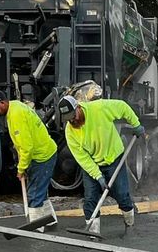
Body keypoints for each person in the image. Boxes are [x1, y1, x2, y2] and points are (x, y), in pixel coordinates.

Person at [58, 95, 145, 237]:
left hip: (113, 158)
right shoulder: (70, 132)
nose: (72, 120)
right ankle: (93, 233)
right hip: (92, 164)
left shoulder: (99, 108)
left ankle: (129, 225)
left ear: (78, 107)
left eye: (73, 116)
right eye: (68, 119)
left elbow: (123, 107)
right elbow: (83, 158)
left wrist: (136, 124)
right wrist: (98, 176)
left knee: (122, 195)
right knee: (90, 198)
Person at [0, 88, 58, 229]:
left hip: (41, 156)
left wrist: (21, 169)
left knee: (35, 194)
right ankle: (50, 222)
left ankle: (37, 227)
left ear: (2, 103)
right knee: (39, 191)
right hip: (41, 153)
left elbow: (27, 147)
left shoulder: (16, 114)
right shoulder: (14, 107)